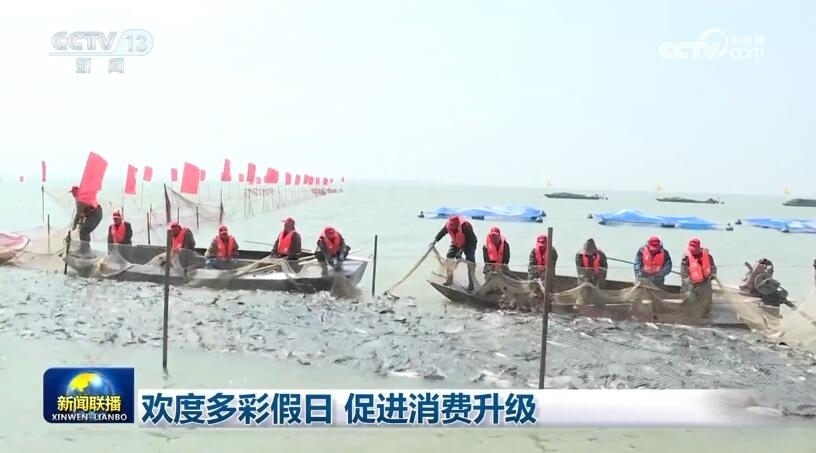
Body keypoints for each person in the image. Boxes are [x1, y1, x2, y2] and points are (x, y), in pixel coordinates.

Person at [430, 215, 478, 291]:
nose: (452, 229)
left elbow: (469, 240)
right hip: (456, 242)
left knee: (470, 261)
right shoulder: (448, 225)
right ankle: (449, 279)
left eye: (454, 227)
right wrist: (434, 241)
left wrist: (460, 252)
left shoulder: (466, 226)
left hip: (470, 243)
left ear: (457, 225)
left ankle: (471, 284)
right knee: (449, 257)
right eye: (451, 227)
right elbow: (442, 233)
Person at [680, 238, 717, 319]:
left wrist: (713, 274)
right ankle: (688, 316)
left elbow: (713, 267)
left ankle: (705, 317)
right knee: (688, 298)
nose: (692, 251)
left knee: (706, 301)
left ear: (698, 248)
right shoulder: (686, 257)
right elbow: (684, 273)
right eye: (691, 249)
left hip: (704, 282)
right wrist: (688, 282)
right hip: (690, 283)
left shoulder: (707, 256)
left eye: (694, 249)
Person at [70, 185, 103, 255]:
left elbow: (78, 214)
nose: (72, 194)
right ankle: (85, 249)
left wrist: (74, 225)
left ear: (77, 192)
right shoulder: (80, 198)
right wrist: (80, 223)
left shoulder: (81, 199)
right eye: (72, 192)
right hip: (93, 214)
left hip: (95, 214)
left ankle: (85, 251)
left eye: (73, 192)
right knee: (84, 230)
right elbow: (82, 214)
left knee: (84, 230)